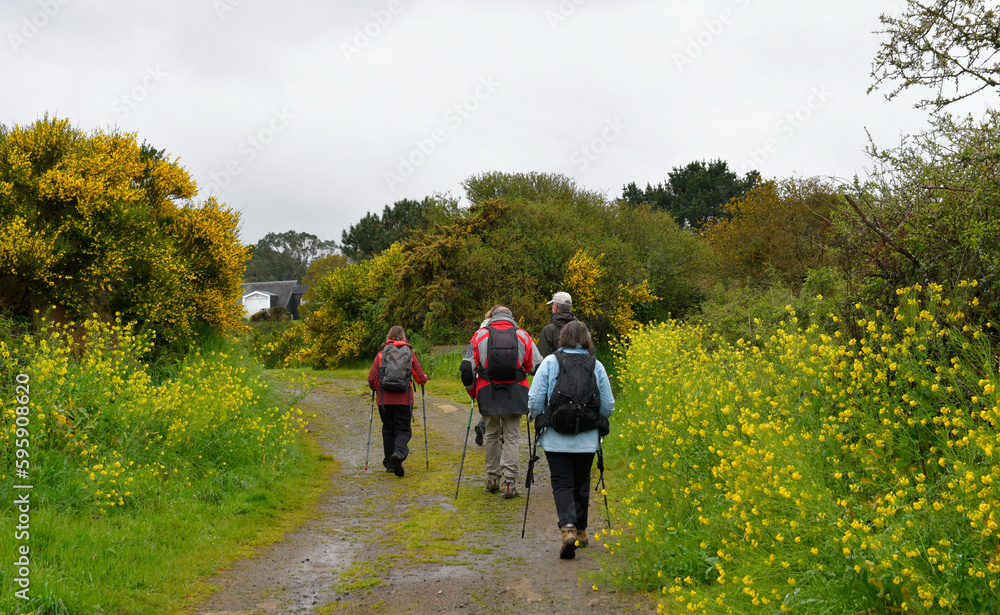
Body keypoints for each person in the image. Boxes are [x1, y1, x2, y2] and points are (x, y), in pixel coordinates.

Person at [528, 320, 614, 559]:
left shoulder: (549, 362)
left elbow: (535, 399)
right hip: (587, 438)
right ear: (586, 339)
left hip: (556, 437)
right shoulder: (595, 365)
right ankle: (582, 530)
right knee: (581, 481)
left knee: (562, 482)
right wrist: (595, 420)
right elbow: (607, 405)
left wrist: (538, 417)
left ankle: (568, 530)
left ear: (562, 338)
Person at [461, 305, 541, 498]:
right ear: (512, 317)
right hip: (516, 391)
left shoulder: (480, 335)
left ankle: (492, 479)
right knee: (512, 436)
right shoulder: (522, 335)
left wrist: (473, 393)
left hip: (488, 391)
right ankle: (510, 482)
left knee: (491, 434)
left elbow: (467, 368)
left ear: (492, 317)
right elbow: (536, 366)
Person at [368, 326, 428, 478]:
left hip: (384, 401)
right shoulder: (409, 354)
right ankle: (399, 454)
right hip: (403, 399)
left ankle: (389, 464)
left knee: (388, 430)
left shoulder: (381, 355)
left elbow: (372, 378)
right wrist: (424, 379)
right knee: (403, 430)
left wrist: (376, 387)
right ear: (403, 337)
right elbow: (420, 378)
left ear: (388, 336)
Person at [537, 291, 595, 358]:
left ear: (556, 307)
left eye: (552, 305)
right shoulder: (582, 329)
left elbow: (543, 359)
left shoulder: (549, 330)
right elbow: (592, 356)